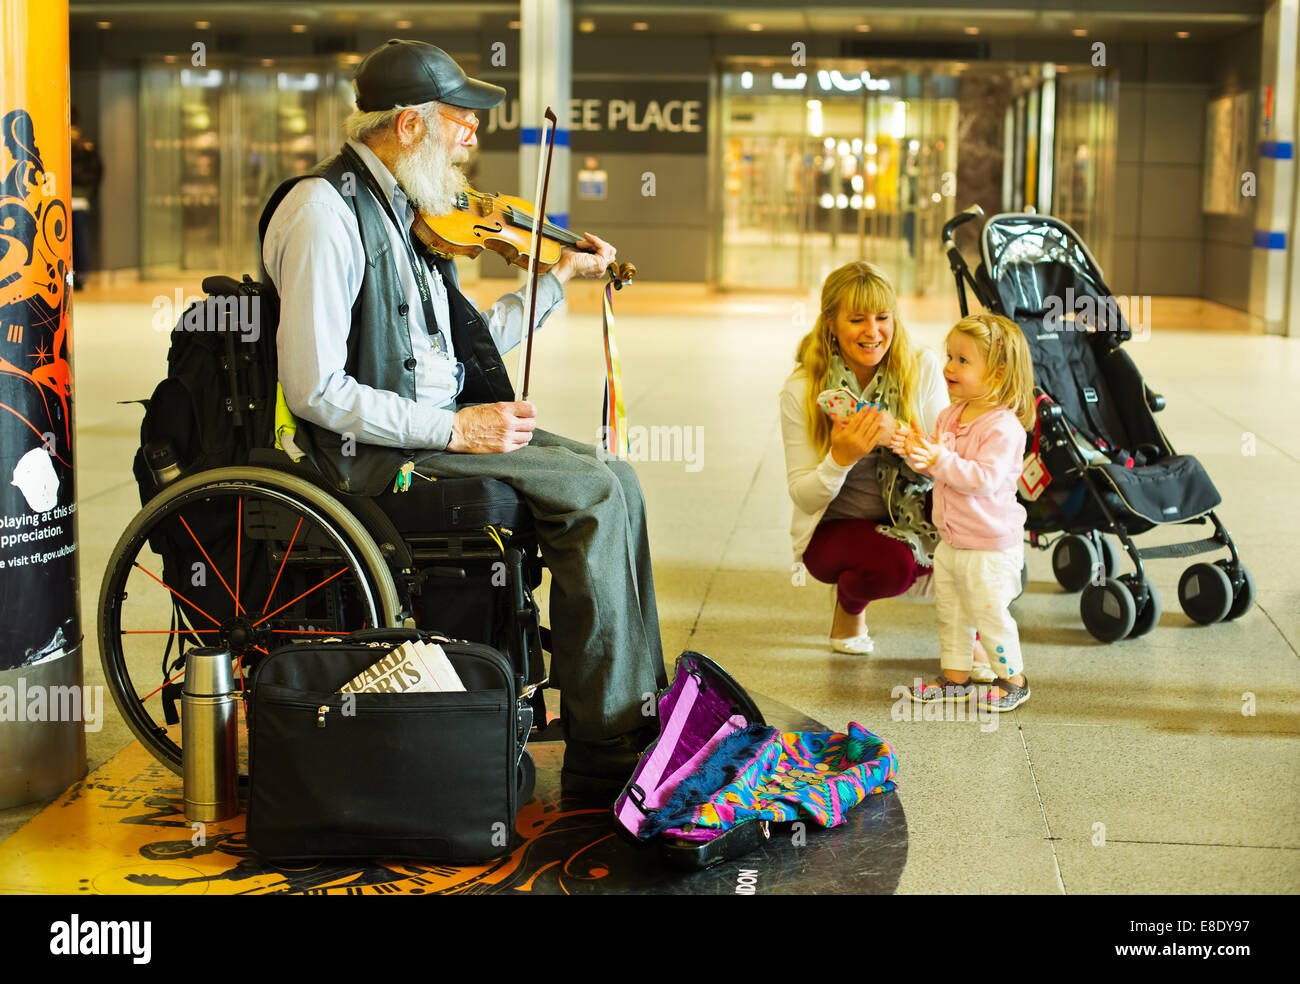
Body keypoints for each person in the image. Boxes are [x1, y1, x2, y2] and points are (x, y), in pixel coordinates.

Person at [259, 39, 666, 796]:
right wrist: (454, 430)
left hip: (436, 425)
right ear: (410, 126)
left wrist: (557, 280)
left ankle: (634, 710)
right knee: (597, 496)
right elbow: (314, 387)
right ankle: (605, 739)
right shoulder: (324, 213)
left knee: (619, 477)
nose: (472, 136)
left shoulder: (409, 212)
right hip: (375, 454)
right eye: (461, 119)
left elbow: (460, 344)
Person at [779, 260, 995, 679]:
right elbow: (803, 494)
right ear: (831, 324)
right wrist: (839, 458)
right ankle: (849, 604)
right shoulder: (803, 388)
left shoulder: (922, 367)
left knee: (978, 526)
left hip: (913, 510)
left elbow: (948, 461)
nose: (872, 331)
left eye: (882, 317)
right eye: (856, 319)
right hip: (837, 528)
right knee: (895, 568)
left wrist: (899, 436)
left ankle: (967, 635)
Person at [893, 311, 1035, 711]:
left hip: (989, 548)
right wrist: (917, 452)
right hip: (953, 541)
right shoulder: (950, 415)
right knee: (952, 615)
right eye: (949, 356)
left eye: (962, 360)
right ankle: (955, 677)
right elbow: (941, 466)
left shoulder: (1003, 427)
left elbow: (982, 479)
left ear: (999, 372)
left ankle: (1013, 679)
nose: (948, 367)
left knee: (990, 617)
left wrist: (937, 458)